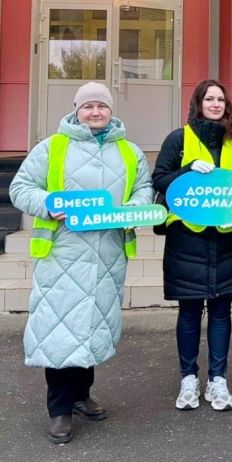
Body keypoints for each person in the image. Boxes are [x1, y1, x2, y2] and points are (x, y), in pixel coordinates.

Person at [10, 82, 154, 443]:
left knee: (91, 325)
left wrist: (135, 210)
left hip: (107, 254)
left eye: (101, 107)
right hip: (63, 253)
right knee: (59, 329)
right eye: (88, 106)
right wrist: (47, 204)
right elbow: (20, 187)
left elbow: (142, 189)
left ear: (110, 111)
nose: (95, 112)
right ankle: (59, 409)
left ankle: (80, 395)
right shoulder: (53, 147)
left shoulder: (129, 151)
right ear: (76, 109)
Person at [153, 79, 232, 412]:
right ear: (198, 103)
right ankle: (189, 379)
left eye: (220, 99)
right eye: (209, 99)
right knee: (188, 312)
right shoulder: (178, 138)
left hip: (229, 238)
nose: (215, 104)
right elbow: (159, 178)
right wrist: (186, 171)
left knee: (220, 312)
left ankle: (218, 380)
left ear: (227, 105)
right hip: (188, 238)